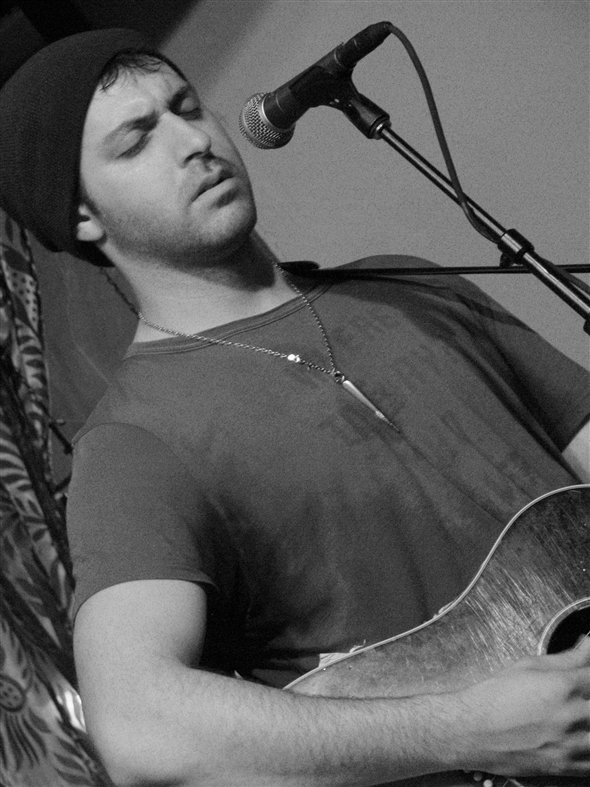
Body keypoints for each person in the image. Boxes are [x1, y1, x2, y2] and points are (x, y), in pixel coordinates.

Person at [0, 28, 589, 787]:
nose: (193, 142)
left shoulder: (412, 289)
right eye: (137, 141)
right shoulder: (131, 442)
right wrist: (466, 730)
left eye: (188, 107)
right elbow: (140, 727)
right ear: (83, 216)